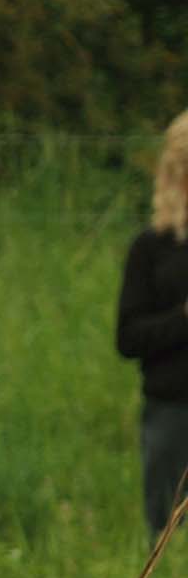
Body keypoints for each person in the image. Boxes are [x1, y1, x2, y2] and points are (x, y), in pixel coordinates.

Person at [117, 111, 188, 538]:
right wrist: (183, 319)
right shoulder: (150, 248)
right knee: (167, 534)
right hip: (171, 408)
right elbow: (128, 338)